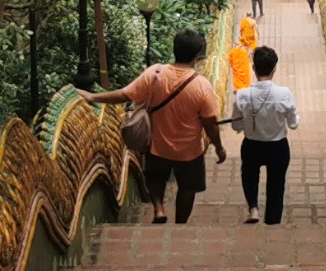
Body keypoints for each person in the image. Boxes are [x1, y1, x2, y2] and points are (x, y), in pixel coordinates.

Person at [81, 29, 225, 224]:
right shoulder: (202, 86)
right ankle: (181, 223)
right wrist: (218, 147)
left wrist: (92, 97)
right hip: (189, 151)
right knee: (188, 187)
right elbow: (210, 123)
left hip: (158, 145)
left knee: (155, 177)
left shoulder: (155, 73)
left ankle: (158, 208)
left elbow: (125, 94)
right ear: (197, 56)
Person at [231, 45, 298, 225]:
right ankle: (272, 222)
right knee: (276, 185)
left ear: (253, 68)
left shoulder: (242, 95)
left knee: (249, 175)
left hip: (252, 145)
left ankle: (253, 208)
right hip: (277, 146)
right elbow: (293, 124)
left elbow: (236, 125)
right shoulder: (284, 94)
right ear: (274, 68)